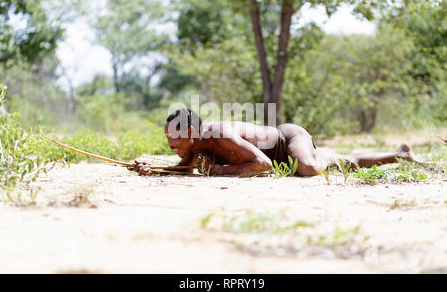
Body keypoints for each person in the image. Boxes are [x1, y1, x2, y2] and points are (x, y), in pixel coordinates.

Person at [135, 108, 417, 177]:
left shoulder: (219, 134)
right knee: (313, 166)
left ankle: (398, 154)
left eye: (175, 137)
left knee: (310, 169)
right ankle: (399, 155)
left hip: (287, 139)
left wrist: (221, 171)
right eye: (168, 138)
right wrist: (152, 169)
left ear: (193, 134)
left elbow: (263, 163)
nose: (171, 143)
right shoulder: (194, 146)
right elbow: (184, 168)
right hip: (280, 156)